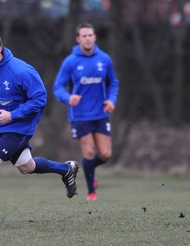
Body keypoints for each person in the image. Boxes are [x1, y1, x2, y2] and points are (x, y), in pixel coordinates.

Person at [0, 28, 79, 228]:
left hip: (20, 128)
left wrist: (12, 115)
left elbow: (40, 99)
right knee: (27, 166)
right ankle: (66, 169)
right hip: (1, 128)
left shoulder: (21, 71)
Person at [53, 23, 119, 201]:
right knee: (89, 152)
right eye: (84, 36)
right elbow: (58, 87)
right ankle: (91, 192)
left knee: (105, 154)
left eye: (90, 35)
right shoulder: (71, 61)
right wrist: (68, 98)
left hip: (101, 114)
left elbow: (113, 83)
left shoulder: (104, 59)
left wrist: (112, 100)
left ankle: (90, 170)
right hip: (80, 116)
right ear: (78, 39)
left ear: (95, 37)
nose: (88, 38)